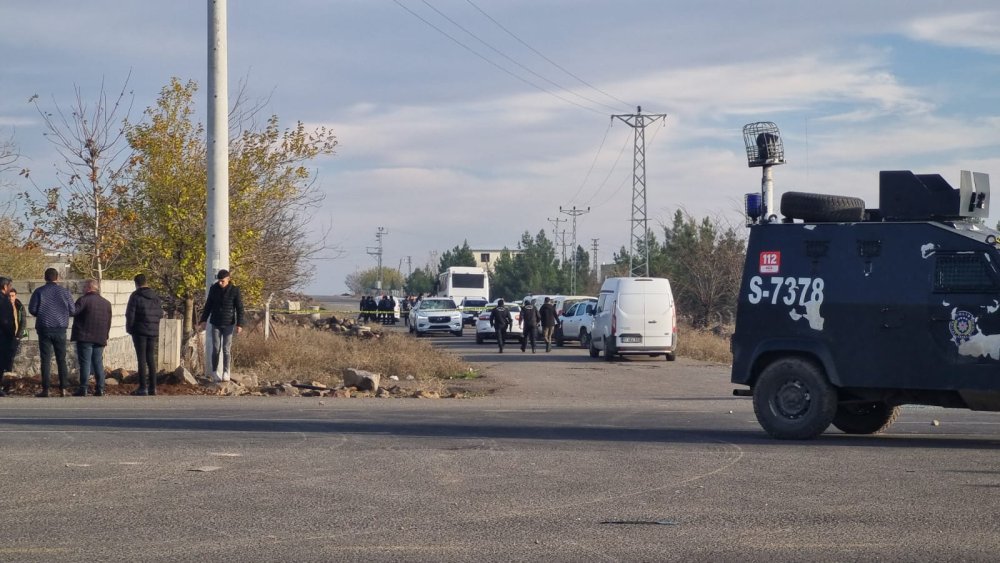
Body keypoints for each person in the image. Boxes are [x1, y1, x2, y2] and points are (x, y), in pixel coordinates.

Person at [28, 268, 75, 397]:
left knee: (45, 359)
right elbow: (73, 310)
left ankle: (46, 389)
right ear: (57, 277)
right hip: (60, 328)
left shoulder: (39, 292)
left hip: (44, 328)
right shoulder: (65, 292)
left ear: (45, 278)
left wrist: (42, 314)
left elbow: (32, 309)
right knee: (61, 359)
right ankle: (63, 388)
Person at [198, 269, 245, 382]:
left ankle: (226, 372)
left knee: (226, 349)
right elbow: (208, 305)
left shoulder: (235, 290)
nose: (220, 283)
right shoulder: (214, 289)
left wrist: (240, 324)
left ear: (228, 279)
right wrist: (203, 320)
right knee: (216, 348)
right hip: (215, 322)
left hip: (229, 323)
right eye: (219, 280)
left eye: (222, 281)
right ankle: (214, 372)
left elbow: (240, 308)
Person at [71, 279, 112, 397]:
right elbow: (108, 322)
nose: (83, 289)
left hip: (85, 337)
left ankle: (83, 388)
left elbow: (73, 312)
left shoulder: (83, 300)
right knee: (98, 363)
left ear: (89, 288)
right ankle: (100, 388)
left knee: (85, 363)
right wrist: (106, 335)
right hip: (100, 337)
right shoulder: (106, 303)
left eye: (84, 287)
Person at [125, 273, 164, 396]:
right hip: (153, 330)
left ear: (136, 284)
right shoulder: (155, 296)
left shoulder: (135, 296)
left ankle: (143, 387)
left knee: (141, 359)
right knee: (151, 358)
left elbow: (130, 314)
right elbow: (160, 313)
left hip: (139, 330)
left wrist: (130, 328)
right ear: (146, 281)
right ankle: (153, 387)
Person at [0, 278, 16, 396]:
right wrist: (11, 334)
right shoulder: (4, 301)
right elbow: (6, 321)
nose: (10, 288)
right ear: (5, 287)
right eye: (9, 286)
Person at [8, 287, 28, 376]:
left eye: (12, 296)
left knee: (11, 357)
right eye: (9, 296)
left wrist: (18, 336)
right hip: (4, 336)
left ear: (15, 296)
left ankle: (8, 374)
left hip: (15, 336)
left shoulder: (19, 306)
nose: (11, 298)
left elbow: (23, 322)